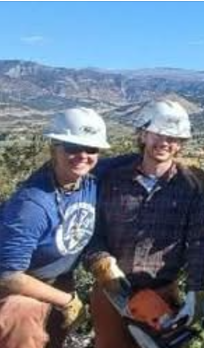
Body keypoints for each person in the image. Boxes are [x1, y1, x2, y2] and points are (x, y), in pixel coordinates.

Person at [84, 99, 204, 348]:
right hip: (110, 293)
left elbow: (199, 242)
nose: (164, 142)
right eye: (158, 133)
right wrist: (100, 261)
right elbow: (90, 230)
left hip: (162, 295)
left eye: (173, 137)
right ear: (142, 134)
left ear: (181, 144)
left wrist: (197, 290)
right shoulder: (111, 179)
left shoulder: (190, 188)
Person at [0, 108, 111, 348]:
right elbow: (8, 275)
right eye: (72, 147)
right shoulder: (32, 203)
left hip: (58, 279)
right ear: (54, 147)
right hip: (18, 290)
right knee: (23, 318)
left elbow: (142, 160)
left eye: (91, 149)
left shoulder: (89, 178)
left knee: (53, 340)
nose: (83, 155)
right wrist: (68, 300)